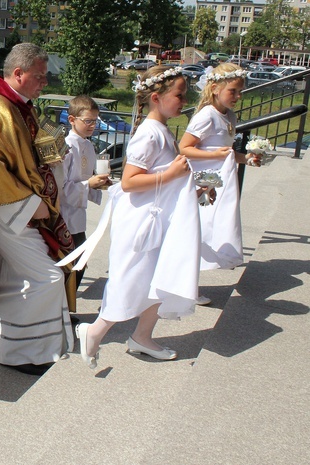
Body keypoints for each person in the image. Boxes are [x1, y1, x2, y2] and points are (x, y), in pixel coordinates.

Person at [0, 43, 75, 376]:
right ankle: (29, 353)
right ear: (18, 74)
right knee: (49, 277)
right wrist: (32, 206)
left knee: (5, 280)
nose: (44, 82)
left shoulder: (20, 106)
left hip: (17, 208)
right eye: (39, 76)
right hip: (4, 210)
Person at [76, 66, 201, 369]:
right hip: (141, 222)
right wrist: (171, 174)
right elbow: (131, 181)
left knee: (159, 278)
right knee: (130, 279)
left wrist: (190, 187)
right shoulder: (148, 133)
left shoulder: (162, 130)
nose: (183, 101)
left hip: (156, 218)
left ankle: (142, 336)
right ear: (156, 97)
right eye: (179, 96)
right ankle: (94, 331)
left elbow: (161, 176)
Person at [179, 63, 259, 305]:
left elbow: (225, 151)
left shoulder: (230, 116)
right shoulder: (206, 116)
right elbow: (185, 148)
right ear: (215, 89)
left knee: (209, 228)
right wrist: (217, 156)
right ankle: (186, 285)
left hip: (219, 179)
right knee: (200, 229)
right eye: (233, 91)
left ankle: (190, 283)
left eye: (240, 92)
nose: (237, 96)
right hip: (204, 180)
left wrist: (245, 158)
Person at [61, 96, 111, 289]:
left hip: (78, 214)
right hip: (64, 214)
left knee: (79, 261)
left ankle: (66, 307)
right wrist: (89, 184)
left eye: (95, 121)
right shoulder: (67, 147)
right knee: (75, 262)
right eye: (88, 121)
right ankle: (64, 308)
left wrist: (98, 182)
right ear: (72, 120)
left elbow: (86, 175)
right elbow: (61, 188)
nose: (92, 125)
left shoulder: (88, 145)